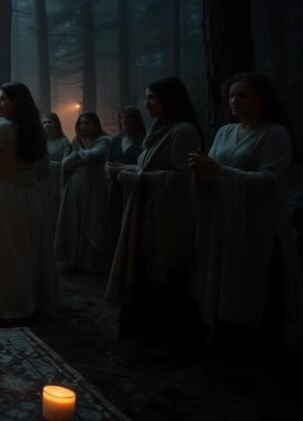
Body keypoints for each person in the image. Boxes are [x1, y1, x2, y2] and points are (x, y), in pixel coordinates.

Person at [190, 72, 301, 350]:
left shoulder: (275, 133)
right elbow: (212, 170)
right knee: (225, 282)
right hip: (225, 219)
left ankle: (258, 348)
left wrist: (218, 171)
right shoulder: (225, 132)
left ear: (261, 99)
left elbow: (269, 180)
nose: (234, 101)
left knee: (255, 284)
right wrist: (201, 173)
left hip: (258, 223)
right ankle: (224, 340)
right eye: (231, 96)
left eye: (243, 95)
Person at [106, 76, 203, 347]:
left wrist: (141, 179)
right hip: (147, 213)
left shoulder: (183, 132)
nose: (147, 103)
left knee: (165, 276)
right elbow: (148, 166)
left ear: (169, 100)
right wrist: (124, 170)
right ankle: (144, 335)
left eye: (153, 98)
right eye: (146, 97)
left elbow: (183, 179)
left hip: (169, 219)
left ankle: (170, 341)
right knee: (144, 273)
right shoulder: (159, 129)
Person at [0, 83, 58, 319]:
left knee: (0, 252)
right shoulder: (37, 131)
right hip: (29, 197)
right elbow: (44, 171)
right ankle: (27, 299)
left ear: (17, 103)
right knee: (24, 252)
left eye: (3, 99)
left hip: (0, 196)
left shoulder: (2, 130)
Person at [55, 112, 112, 274]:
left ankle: (90, 262)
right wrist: (78, 155)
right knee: (73, 221)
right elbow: (65, 165)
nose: (83, 126)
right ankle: (73, 259)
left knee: (91, 220)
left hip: (93, 187)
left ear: (95, 124)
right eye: (81, 123)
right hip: (74, 187)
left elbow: (94, 157)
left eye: (87, 123)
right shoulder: (76, 142)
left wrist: (80, 150)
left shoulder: (104, 140)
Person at [106, 106, 145, 250]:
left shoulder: (143, 141)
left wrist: (121, 167)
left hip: (134, 188)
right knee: (115, 223)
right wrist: (108, 169)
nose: (124, 120)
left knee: (131, 224)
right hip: (115, 188)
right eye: (122, 117)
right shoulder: (115, 141)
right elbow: (108, 162)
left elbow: (143, 166)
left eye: (128, 117)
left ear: (136, 120)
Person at [43, 112, 71, 238]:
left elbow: (66, 163)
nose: (46, 125)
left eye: (49, 122)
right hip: (42, 183)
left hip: (57, 184)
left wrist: (46, 164)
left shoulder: (64, 141)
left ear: (56, 124)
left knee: (55, 216)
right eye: (44, 122)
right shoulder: (41, 142)